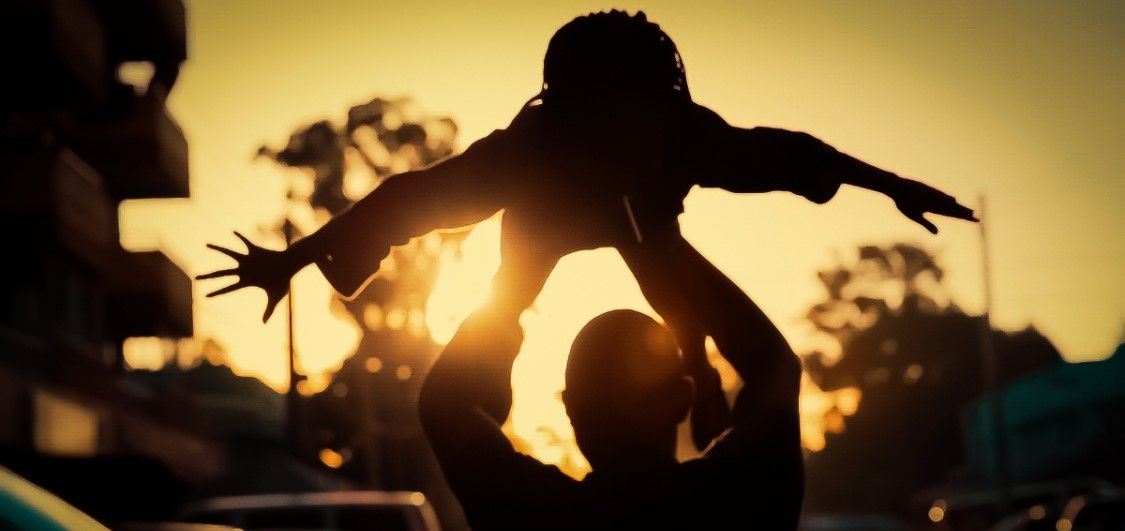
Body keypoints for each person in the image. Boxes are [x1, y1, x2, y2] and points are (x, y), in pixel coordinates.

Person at [197, 10, 975, 328]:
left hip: (646, 231)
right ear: (567, 115)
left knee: (686, 313)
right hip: (542, 233)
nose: (614, 139)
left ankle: (696, 374)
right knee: (498, 322)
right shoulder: (532, 156)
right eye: (600, 120)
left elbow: (794, 151)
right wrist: (295, 258)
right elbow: (410, 197)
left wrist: (892, 186)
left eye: (629, 116)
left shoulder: (680, 137)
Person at [418, 227, 802, 531]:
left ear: (571, 411)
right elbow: (774, 365)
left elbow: (443, 405)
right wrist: (657, 240)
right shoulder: (738, 500)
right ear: (682, 399)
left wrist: (516, 279)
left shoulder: (538, 522)